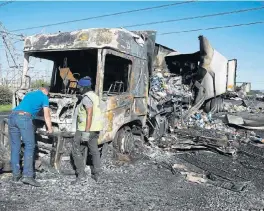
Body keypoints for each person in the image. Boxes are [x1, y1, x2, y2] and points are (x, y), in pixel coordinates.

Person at [8, 87, 53, 187]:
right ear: (46, 92)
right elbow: (47, 115)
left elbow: (27, 107)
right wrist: (50, 129)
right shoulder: (44, 97)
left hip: (12, 117)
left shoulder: (29, 94)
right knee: (30, 146)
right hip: (23, 117)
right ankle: (27, 176)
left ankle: (15, 175)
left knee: (15, 147)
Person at [71, 76, 103, 184]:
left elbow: (89, 114)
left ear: (84, 87)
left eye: (80, 87)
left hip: (85, 129)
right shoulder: (95, 96)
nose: (79, 89)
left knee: (76, 150)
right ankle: (97, 175)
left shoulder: (86, 98)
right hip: (96, 129)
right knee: (94, 151)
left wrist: (86, 132)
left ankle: (81, 175)